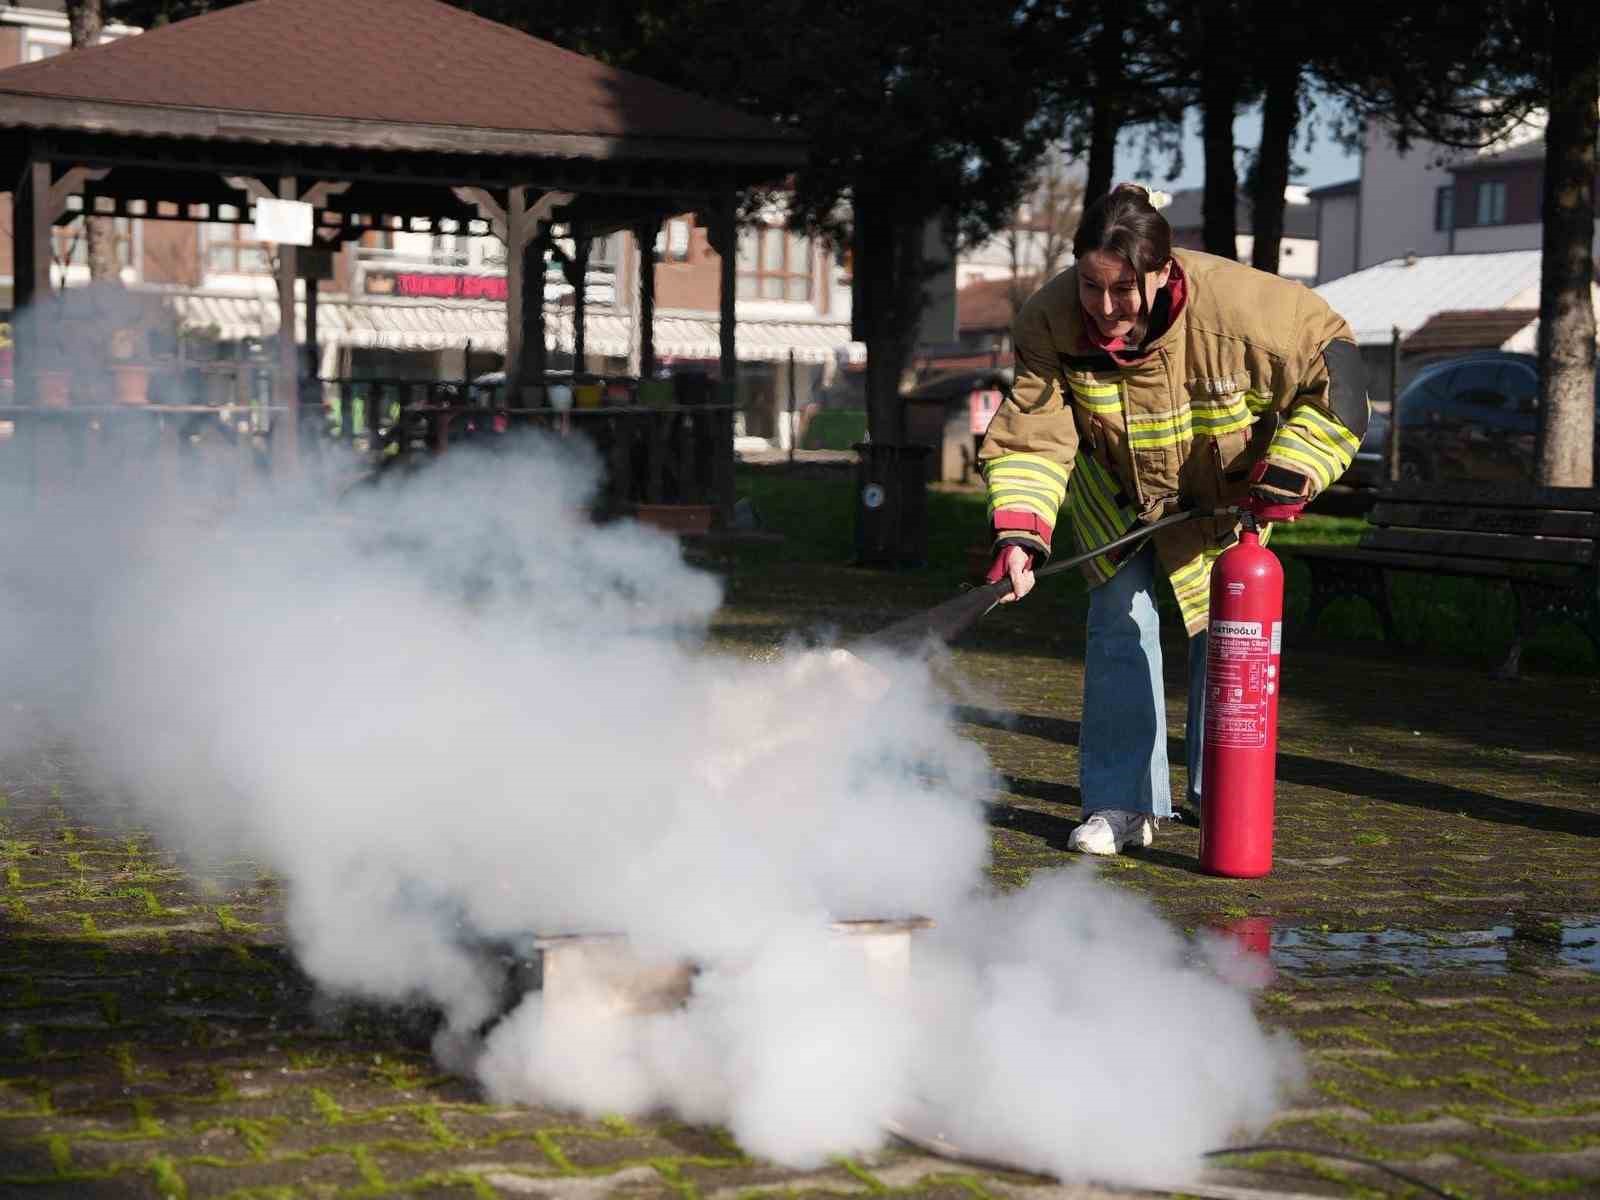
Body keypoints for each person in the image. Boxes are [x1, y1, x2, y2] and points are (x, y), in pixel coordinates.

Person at [979, 183, 1368, 856]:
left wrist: (1295, 466)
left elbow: (1341, 373)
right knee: (1119, 630)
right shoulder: (1049, 319)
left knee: (1227, 646)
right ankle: (1121, 804)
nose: (1104, 310)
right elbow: (1033, 437)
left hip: (1223, 501)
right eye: (1090, 288)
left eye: (1123, 291)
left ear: (1163, 271)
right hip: (1116, 497)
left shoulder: (1246, 309)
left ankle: (1222, 797)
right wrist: (1021, 533)